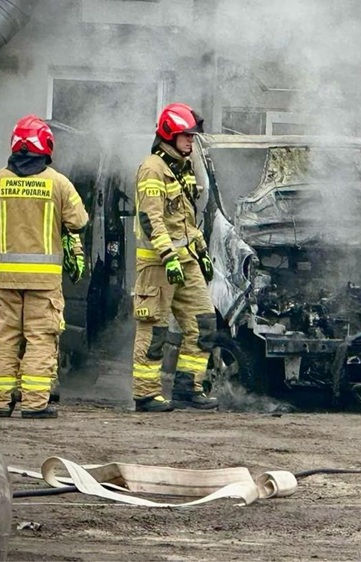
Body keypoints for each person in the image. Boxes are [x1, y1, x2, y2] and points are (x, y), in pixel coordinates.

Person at [0, 115, 89, 419]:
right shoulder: (58, 183)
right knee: (40, 339)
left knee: (5, 337)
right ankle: (35, 404)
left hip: (5, 279)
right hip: (44, 281)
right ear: (46, 145)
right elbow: (79, 221)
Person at [131, 102, 218, 413]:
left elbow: (186, 219)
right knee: (154, 329)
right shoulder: (152, 168)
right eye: (187, 136)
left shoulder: (184, 168)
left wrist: (202, 252)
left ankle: (187, 387)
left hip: (187, 260)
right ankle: (146, 394)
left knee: (204, 323)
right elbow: (150, 218)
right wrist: (167, 254)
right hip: (158, 264)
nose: (191, 142)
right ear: (170, 135)